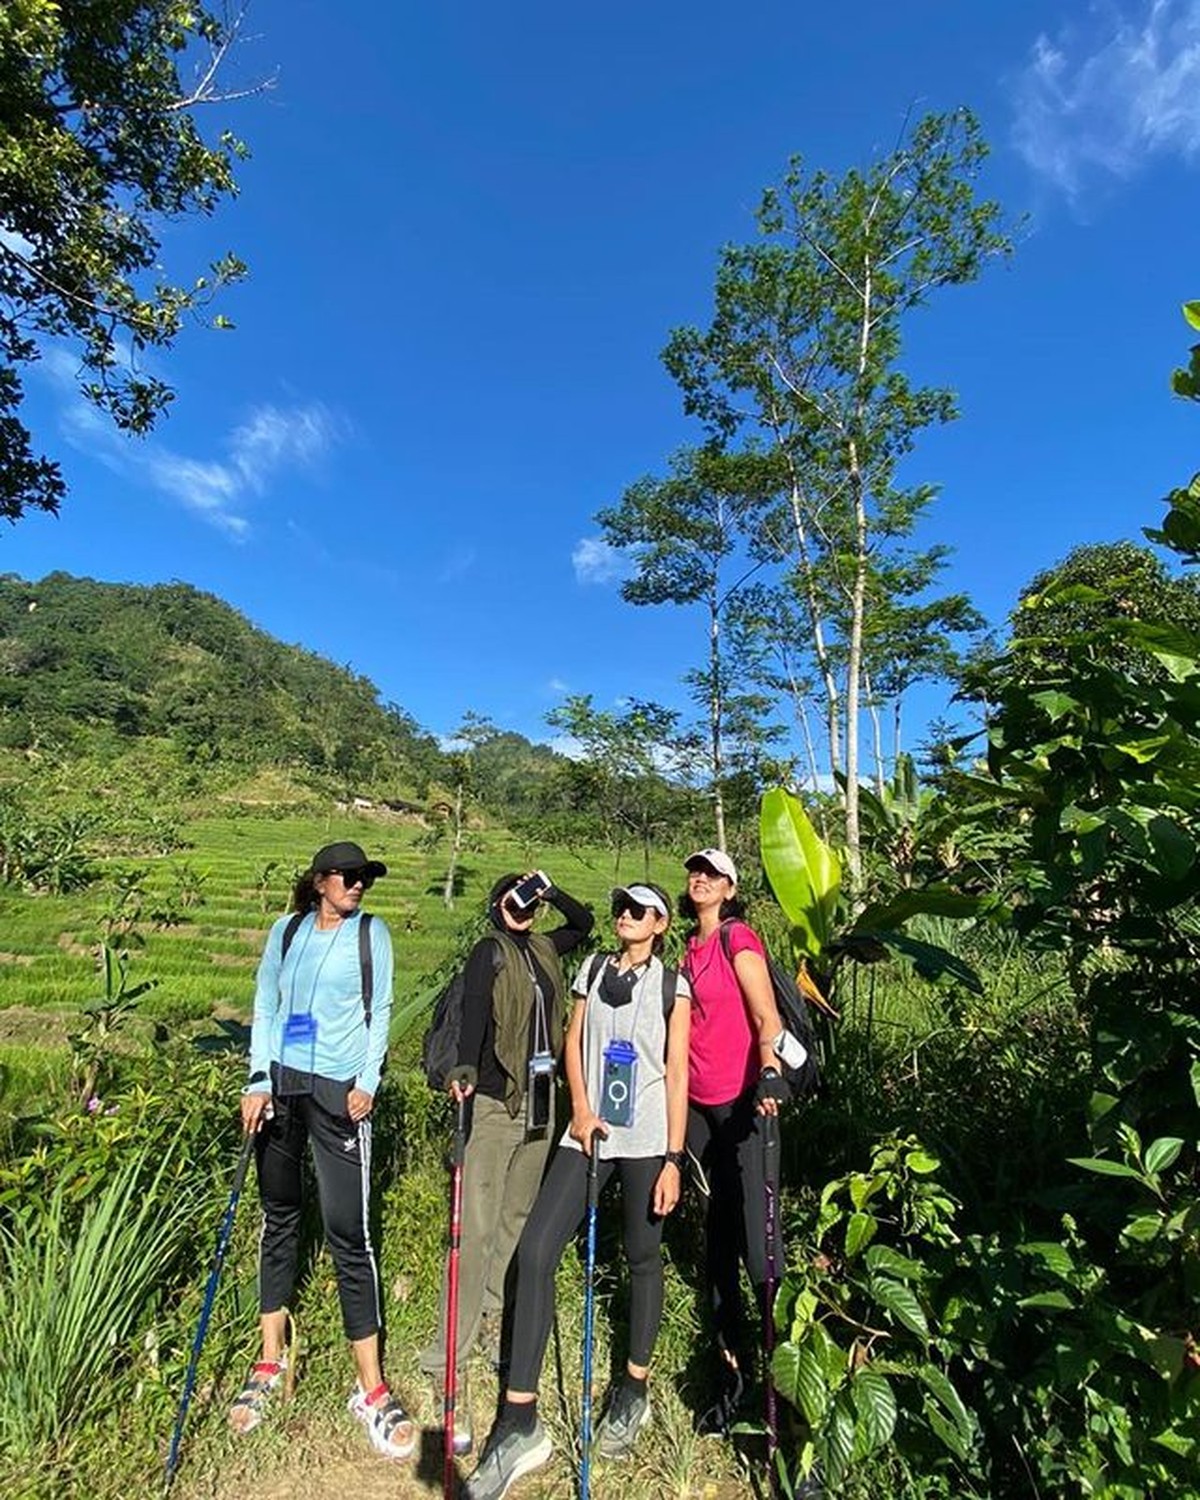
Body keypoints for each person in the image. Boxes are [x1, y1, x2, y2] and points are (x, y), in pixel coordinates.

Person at [465, 883, 690, 1500]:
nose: (626, 916)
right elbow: (572, 1041)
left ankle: (635, 1389)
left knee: (643, 1257)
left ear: (661, 924)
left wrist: (672, 1156)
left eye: (639, 911)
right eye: (622, 908)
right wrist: (583, 1109)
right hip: (584, 1133)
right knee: (536, 1252)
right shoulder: (591, 969)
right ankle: (518, 1420)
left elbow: (677, 1071)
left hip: (645, 1139)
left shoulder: (673, 987)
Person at [231, 840, 414, 1460]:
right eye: (349, 876)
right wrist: (258, 1080)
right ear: (319, 882)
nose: (359, 885)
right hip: (282, 1085)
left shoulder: (373, 934)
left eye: (366, 877)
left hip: (340, 1093)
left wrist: (369, 1081)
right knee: (280, 1217)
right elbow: (267, 1006)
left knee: (348, 1232)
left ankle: (372, 1387)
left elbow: (380, 1008)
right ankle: (269, 1361)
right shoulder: (285, 931)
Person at [419, 869, 594, 1453]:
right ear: (496, 906)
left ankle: (495, 1316)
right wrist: (464, 1073)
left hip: (542, 1108)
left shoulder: (546, 947)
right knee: (477, 1228)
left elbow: (585, 924)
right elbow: (472, 1019)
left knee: (516, 1224)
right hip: (494, 1106)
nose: (520, 908)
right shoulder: (486, 952)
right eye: (511, 899)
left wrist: (549, 887)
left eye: (526, 901)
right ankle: (455, 1354)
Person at [678, 847, 787, 1434]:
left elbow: (766, 1015)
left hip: (745, 1104)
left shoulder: (736, 938)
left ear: (730, 888)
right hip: (700, 1108)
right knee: (716, 1248)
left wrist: (768, 1071)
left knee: (759, 1247)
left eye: (713, 875)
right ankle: (732, 1381)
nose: (701, 879)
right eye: (696, 871)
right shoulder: (688, 949)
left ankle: (785, 1391)